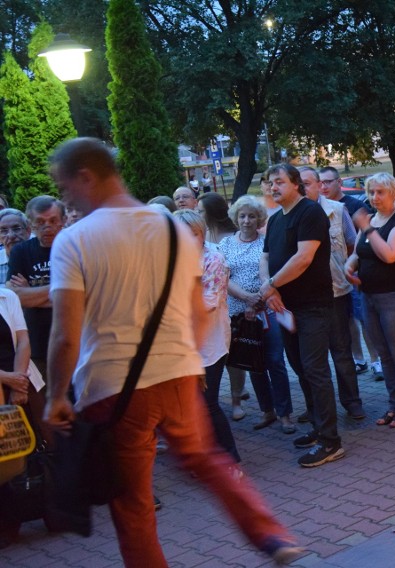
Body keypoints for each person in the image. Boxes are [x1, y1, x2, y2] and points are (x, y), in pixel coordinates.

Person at [43, 138, 300, 567]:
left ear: (86, 177)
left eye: (66, 186)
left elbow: (65, 335)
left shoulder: (75, 241)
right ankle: (269, 533)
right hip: (179, 374)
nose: (66, 196)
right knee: (206, 457)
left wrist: (54, 397)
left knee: (133, 505)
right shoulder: (170, 228)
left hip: (113, 387)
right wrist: (189, 359)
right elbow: (197, 309)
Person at [259, 164, 344, 467]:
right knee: (300, 368)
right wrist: (270, 289)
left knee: (315, 370)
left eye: (279, 182)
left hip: (313, 306)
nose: (273, 188)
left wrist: (270, 285)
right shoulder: (275, 219)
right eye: (270, 183)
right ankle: (317, 428)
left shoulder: (309, 213)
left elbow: (303, 258)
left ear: (296, 184)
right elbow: (265, 257)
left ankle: (331, 441)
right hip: (286, 308)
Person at [218, 196, 295, 433]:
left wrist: (257, 301)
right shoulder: (226, 245)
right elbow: (223, 277)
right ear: (236, 218)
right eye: (242, 216)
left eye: (252, 216)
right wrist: (245, 299)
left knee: (274, 361)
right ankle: (267, 411)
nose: (247, 221)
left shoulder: (266, 243)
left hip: (266, 310)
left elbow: (270, 275)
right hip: (238, 314)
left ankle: (285, 414)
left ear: (259, 219)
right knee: (253, 362)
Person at [344, 173, 395, 429]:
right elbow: (358, 253)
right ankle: (393, 404)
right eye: (371, 192)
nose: (374, 197)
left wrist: (368, 228)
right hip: (368, 295)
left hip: (394, 296)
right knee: (384, 355)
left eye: (380, 192)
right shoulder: (371, 221)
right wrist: (349, 267)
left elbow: (389, 255)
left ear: (393, 193)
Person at [172, 209, 241, 463]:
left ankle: (230, 457)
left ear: (202, 234)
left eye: (194, 234)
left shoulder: (214, 259)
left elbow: (208, 302)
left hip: (209, 342)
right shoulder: (171, 260)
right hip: (181, 344)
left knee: (207, 401)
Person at [299, 167, 365, 420]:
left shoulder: (337, 211)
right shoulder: (291, 215)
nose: (304, 188)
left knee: (341, 350)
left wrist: (340, 268)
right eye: (300, 184)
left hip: (336, 291)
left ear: (319, 185)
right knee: (312, 357)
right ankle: (316, 406)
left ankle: (352, 401)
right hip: (305, 296)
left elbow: (351, 242)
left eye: (308, 183)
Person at [319, 166, 381, 378]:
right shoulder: (316, 208)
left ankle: (376, 360)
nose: (324, 186)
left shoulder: (354, 206)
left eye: (328, 181)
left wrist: (350, 263)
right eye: (321, 182)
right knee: (346, 319)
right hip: (334, 277)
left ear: (338, 181)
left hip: (354, 271)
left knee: (362, 316)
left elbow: (357, 242)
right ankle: (358, 359)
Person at [0, 282, 42, 547]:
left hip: (17, 380)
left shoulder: (7, 296)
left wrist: (19, 382)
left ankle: (22, 512)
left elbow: (23, 340)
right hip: (9, 380)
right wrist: (9, 379)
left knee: (20, 449)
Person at [7, 196, 65, 381]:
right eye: (40, 221)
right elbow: (16, 296)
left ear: (63, 221)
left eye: (53, 221)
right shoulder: (21, 251)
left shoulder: (74, 248)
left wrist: (31, 291)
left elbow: (85, 294)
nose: (47, 226)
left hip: (73, 341)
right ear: (30, 225)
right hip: (37, 344)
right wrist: (65, 291)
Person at [0, 209, 30, 288]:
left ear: (28, 231)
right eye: (4, 231)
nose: (11, 236)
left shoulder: (43, 259)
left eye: (16, 228)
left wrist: (28, 291)